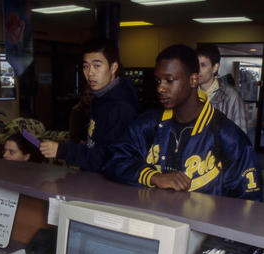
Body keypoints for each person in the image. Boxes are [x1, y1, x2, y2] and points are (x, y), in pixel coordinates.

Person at [103, 44, 262, 201]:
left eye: (169, 80)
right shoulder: (147, 124)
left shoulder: (227, 136)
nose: (160, 88)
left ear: (193, 80)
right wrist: (154, 177)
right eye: (158, 81)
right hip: (153, 221)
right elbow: (113, 160)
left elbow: (250, 202)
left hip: (203, 226)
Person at [40, 37, 139, 172]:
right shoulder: (100, 97)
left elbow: (109, 159)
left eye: (97, 65)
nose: (90, 73)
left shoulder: (121, 107)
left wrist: (63, 150)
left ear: (113, 67)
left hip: (108, 185)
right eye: (86, 66)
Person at [196, 44, 247, 133]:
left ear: (215, 67)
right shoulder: (189, 93)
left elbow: (240, 135)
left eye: (203, 65)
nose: (198, 70)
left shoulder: (230, 96)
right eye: (195, 65)